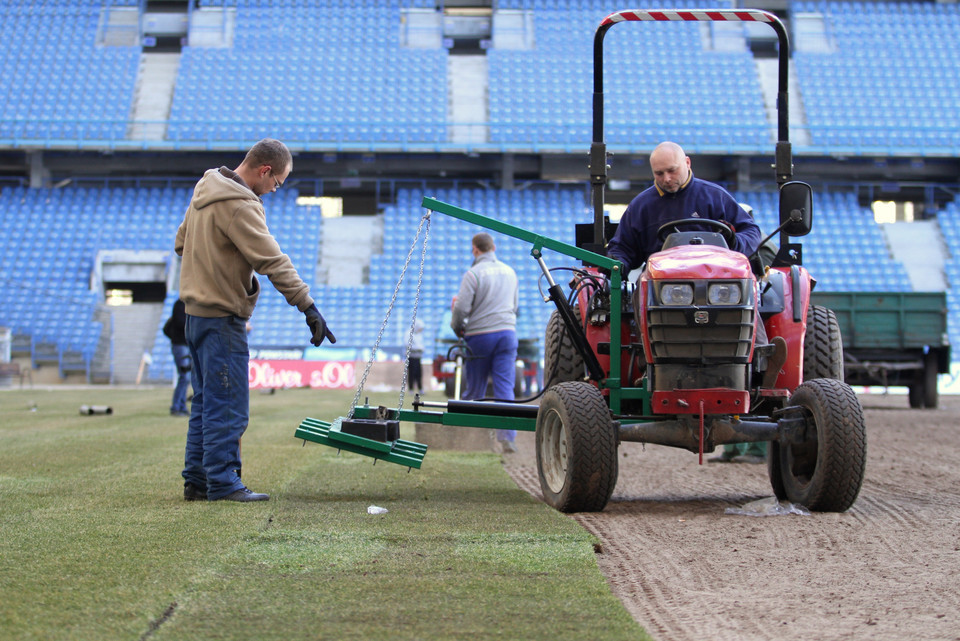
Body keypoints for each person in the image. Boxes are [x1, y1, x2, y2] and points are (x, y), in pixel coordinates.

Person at [175, 138, 335, 503]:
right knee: (228, 404)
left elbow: (182, 243)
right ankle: (223, 480)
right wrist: (307, 306)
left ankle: (197, 479)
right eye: (277, 182)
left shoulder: (206, 186)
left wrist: (211, 265)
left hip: (195, 315)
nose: (275, 190)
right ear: (264, 170)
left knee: (203, 402)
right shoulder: (240, 205)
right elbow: (272, 261)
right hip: (221, 318)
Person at [606, 141, 762, 274]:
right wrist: (617, 262)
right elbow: (623, 248)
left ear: (687, 163)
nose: (666, 179)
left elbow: (751, 232)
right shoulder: (640, 206)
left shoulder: (715, 196)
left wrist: (733, 243)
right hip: (660, 282)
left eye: (672, 170)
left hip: (714, 278)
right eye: (659, 173)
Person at [451, 232, 519, 453]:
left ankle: (470, 436)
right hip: (507, 334)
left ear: (475, 249)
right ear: (494, 247)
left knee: (476, 388)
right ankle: (507, 439)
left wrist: (457, 327)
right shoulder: (510, 272)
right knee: (504, 388)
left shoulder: (473, 274)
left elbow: (461, 308)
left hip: (480, 335)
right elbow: (515, 306)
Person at [162, 298, 190, 417]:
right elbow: (180, 322)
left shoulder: (188, 304)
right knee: (184, 376)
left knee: (187, 377)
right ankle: (176, 406)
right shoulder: (180, 304)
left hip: (187, 345)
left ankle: (182, 406)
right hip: (181, 345)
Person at [407, 317, 425, 392]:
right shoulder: (409, 333)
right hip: (411, 357)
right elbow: (407, 345)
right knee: (411, 373)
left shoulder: (419, 335)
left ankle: (420, 388)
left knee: (419, 374)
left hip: (418, 357)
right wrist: (418, 348)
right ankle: (411, 389)